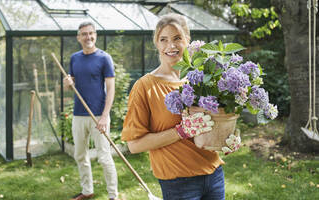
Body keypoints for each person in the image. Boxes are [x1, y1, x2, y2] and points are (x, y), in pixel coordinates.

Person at [121, 13, 239, 200]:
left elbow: (219, 119)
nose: (171, 46)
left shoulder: (204, 79)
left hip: (214, 174)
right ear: (157, 44)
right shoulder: (145, 87)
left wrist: (229, 137)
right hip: (178, 184)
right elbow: (134, 145)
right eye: (163, 40)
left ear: (188, 39)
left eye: (177, 38)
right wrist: (181, 131)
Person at [63, 21, 119, 200]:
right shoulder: (74, 58)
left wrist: (104, 116)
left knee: (104, 157)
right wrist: (68, 84)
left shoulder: (104, 58)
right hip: (79, 115)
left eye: (91, 33)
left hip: (98, 117)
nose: (88, 37)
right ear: (79, 37)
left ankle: (113, 196)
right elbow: (72, 85)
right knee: (80, 155)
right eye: (84, 34)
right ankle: (87, 191)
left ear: (95, 35)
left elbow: (110, 89)